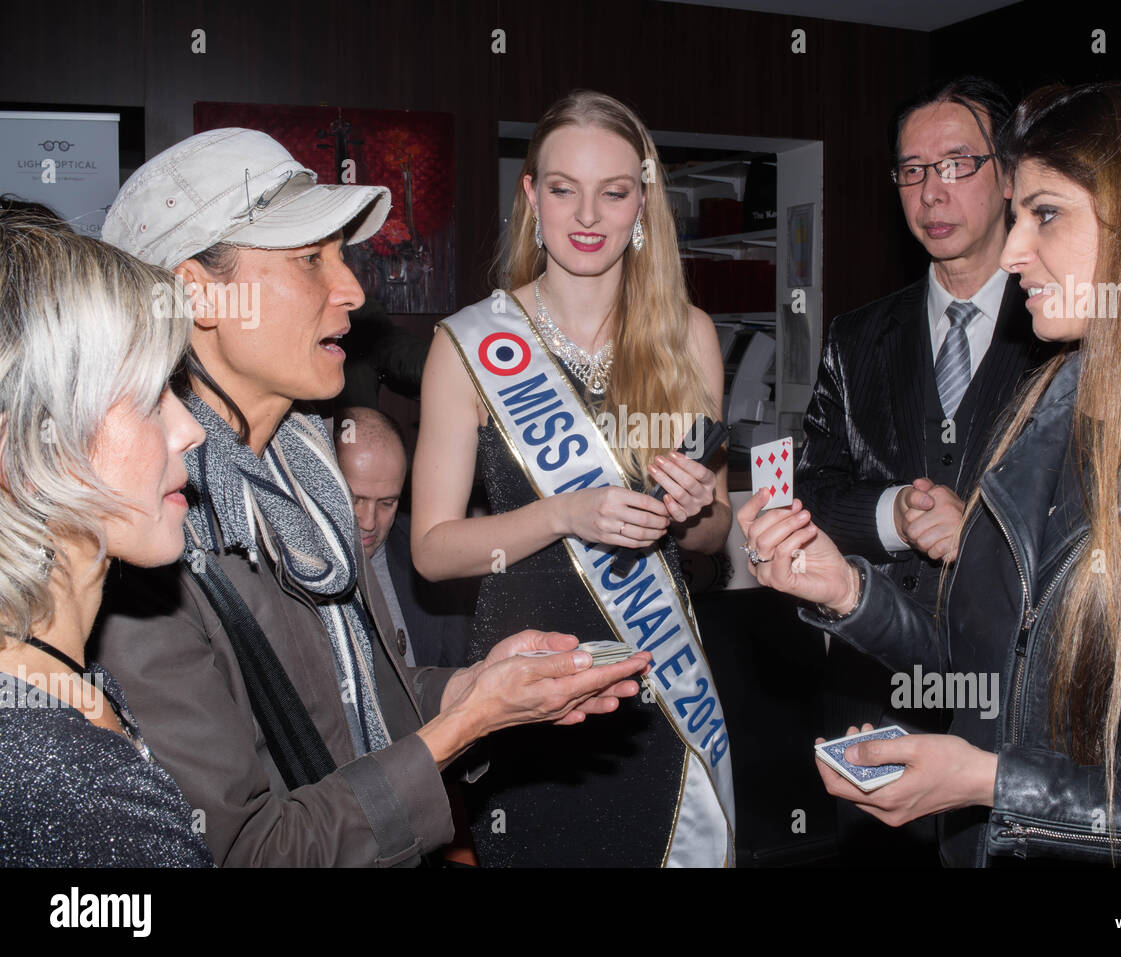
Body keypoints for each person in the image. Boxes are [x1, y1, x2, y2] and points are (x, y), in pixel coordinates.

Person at [738, 81, 1121, 866]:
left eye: (1046, 214)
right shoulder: (1044, 404)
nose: (1010, 251)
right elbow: (988, 670)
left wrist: (996, 783)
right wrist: (851, 593)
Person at [92, 127, 651, 867]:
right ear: (200, 293)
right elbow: (249, 852)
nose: (352, 288)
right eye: (308, 260)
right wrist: (468, 725)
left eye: (340, 256)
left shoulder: (312, 478)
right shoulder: (148, 540)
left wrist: (479, 687)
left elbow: (358, 717)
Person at [411, 90, 735, 867]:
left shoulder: (688, 337)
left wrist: (694, 512)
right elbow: (431, 548)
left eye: (614, 191)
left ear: (643, 202)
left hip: (657, 682)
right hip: (526, 685)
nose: (588, 215)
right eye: (563, 189)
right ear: (531, 196)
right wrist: (564, 513)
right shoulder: (467, 345)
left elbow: (717, 532)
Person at [795, 76, 1055, 860]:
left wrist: (979, 527)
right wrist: (892, 517)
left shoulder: (1062, 328)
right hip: (877, 685)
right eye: (912, 170)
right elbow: (811, 488)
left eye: (956, 163)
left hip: (1019, 693)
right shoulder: (855, 337)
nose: (931, 191)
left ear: (1009, 177)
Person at [0, 217, 210, 866]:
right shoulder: (82, 796)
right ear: (34, 449)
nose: (190, 430)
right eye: (153, 397)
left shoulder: (46, 697)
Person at [335, 406, 472, 668]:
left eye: (387, 503)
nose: (369, 521)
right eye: (354, 499)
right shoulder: (290, 567)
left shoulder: (430, 556)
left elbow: (458, 668)